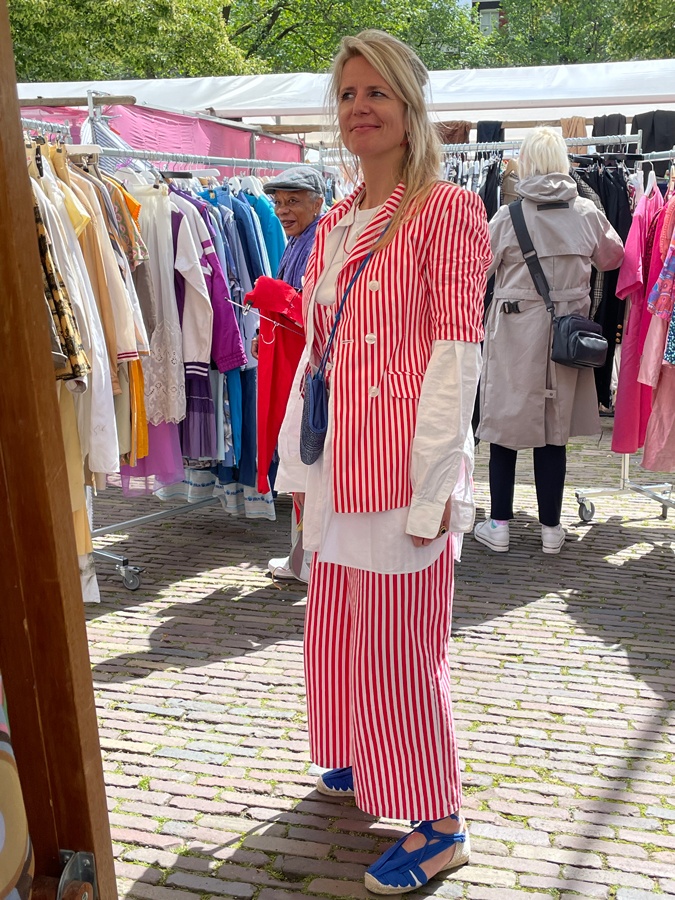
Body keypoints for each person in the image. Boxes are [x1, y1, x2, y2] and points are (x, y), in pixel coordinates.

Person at [299, 30, 491, 894]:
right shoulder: (337, 220)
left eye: (375, 93)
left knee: (403, 648)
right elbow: (319, 357)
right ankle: (361, 755)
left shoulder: (446, 212)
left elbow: (455, 358)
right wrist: (297, 470)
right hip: (340, 467)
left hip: (401, 470)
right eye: (345, 95)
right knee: (339, 625)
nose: (357, 109)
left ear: (411, 106)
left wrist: (432, 490)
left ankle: (439, 821)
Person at [474, 127, 624, 555]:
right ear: (562, 162)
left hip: (514, 333)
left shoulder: (508, 216)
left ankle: (499, 525)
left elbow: (477, 270)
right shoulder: (586, 212)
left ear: (525, 163)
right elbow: (613, 258)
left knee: (505, 427)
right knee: (553, 432)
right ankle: (551, 530)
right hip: (568, 335)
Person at [250, 166, 325, 583]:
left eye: (293, 201)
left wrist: (274, 296)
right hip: (295, 365)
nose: (282, 210)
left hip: (310, 370)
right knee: (298, 459)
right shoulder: (298, 240)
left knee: (305, 459)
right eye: (278, 202)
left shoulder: (320, 241)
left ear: (317, 201)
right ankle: (301, 554)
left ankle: (309, 557)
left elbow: (316, 309)